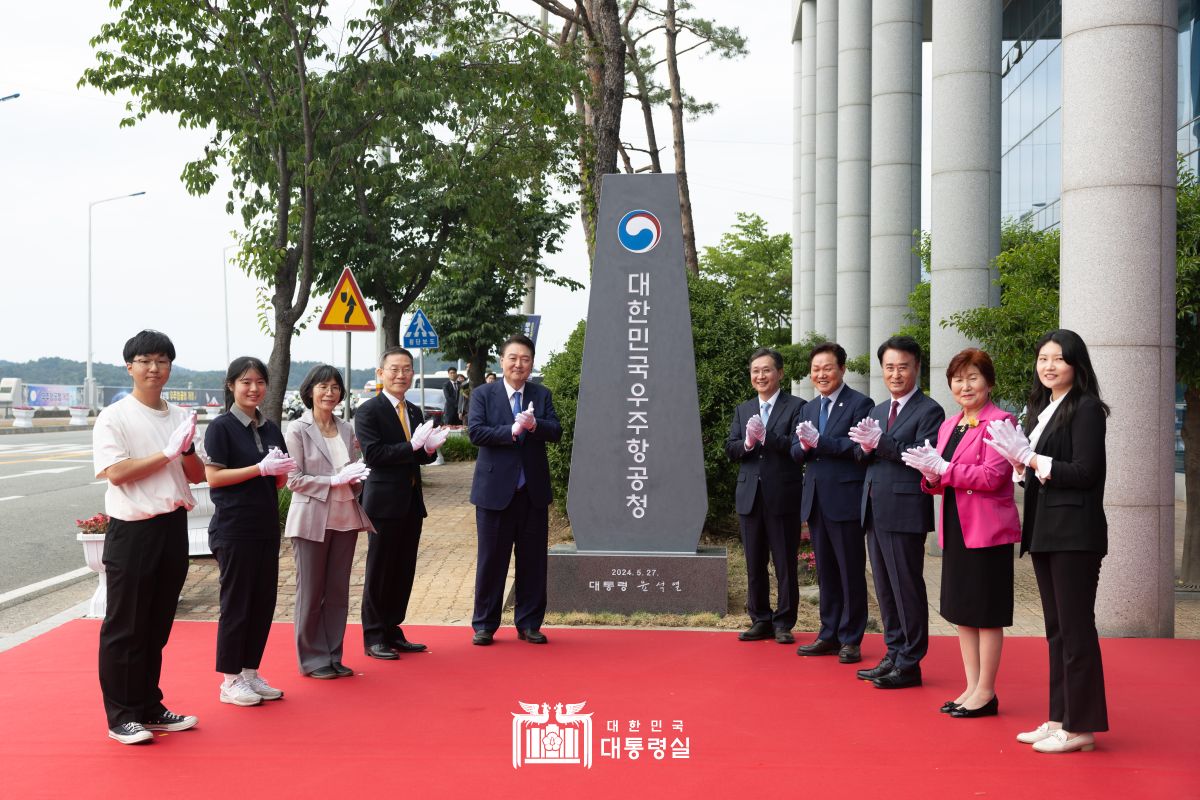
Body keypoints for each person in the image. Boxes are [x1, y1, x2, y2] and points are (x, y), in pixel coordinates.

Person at [984, 329, 1110, 754]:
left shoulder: (1086, 408)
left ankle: (1081, 728)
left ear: (1077, 364)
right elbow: (1039, 472)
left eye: (1058, 358)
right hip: (1046, 530)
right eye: (1042, 358)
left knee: (1075, 631)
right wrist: (1020, 465)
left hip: (1076, 534)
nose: (1049, 366)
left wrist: (1034, 458)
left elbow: (1085, 472)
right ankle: (1060, 718)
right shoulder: (1043, 409)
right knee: (1056, 631)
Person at [92, 330, 204, 745]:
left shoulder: (179, 416)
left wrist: (187, 450)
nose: (154, 368)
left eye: (161, 360)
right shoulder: (115, 417)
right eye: (145, 360)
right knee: (126, 625)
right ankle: (121, 715)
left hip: (172, 525)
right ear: (130, 366)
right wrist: (166, 453)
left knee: (157, 624)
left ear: (171, 366)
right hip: (133, 528)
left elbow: (197, 475)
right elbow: (117, 473)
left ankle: (148, 706)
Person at [902, 348, 1020, 716]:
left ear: (988, 381)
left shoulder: (1001, 422)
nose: (965, 385)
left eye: (973, 377)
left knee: (986, 612)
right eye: (958, 379)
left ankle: (986, 691)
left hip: (987, 530)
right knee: (962, 611)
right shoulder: (949, 424)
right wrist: (929, 475)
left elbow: (993, 476)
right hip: (955, 527)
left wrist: (945, 469)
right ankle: (971, 687)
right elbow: (943, 477)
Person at [849, 336, 945, 689]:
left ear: (917, 367)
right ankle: (893, 652)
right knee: (885, 588)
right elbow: (864, 457)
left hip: (905, 510)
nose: (895, 373)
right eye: (889, 367)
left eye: (903, 366)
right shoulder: (876, 410)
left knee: (906, 586)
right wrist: (862, 446)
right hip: (874, 506)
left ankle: (911, 661)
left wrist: (880, 443)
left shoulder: (929, 410)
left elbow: (920, 454)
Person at [204, 356, 295, 707]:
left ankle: (250, 672)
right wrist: (259, 468)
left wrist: (281, 470)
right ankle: (229, 680)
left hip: (265, 526)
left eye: (259, 382)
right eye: (246, 382)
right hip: (234, 527)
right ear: (231, 386)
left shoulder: (270, 427)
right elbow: (213, 477)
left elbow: (278, 481)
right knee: (237, 604)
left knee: (262, 603)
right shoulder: (221, 427)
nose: (253, 388)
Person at [355, 347, 450, 660]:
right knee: (380, 569)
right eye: (394, 369)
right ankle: (373, 635)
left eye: (407, 369)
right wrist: (411, 445)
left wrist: (430, 450)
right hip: (382, 503)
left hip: (410, 502)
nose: (401, 374)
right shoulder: (369, 410)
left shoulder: (414, 410)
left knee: (403, 569)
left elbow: (417, 456)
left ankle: (393, 629)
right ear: (380, 374)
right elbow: (374, 454)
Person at [468, 334, 562, 645]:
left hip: (532, 492)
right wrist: (511, 430)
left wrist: (535, 426)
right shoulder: (483, 394)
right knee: (492, 561)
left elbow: (556, 430)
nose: (518, 364)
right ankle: (484, 624)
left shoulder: (541, 394)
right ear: (502, 360)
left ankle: (529, 623)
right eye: (512, 358)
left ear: (531, 363)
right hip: (495, 492)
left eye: (524, 359)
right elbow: (476, 432)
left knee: (533, 562)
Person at [284, 364, 375, 679]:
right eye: (322, 386)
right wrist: (334, 479)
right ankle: (312, 659)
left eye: (335, 387)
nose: (329, 392)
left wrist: (356, 478)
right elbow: (293, 479)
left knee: (337, 591)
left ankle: (333, 654)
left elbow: (352, 475)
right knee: (311, 591)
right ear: (310, 391)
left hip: (345, 517)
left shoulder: (347, 428)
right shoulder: (296, 429)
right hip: (311, 518)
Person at [790, 342, 874, 664]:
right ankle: (828, 633)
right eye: (816, 369)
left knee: (850, 570)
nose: (821, 374)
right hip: (815, 500)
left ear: (841, 368)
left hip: (845, 499)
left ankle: (851, 639)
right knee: (825, 571)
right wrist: (804, 446)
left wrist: (819, 442)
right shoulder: (808, 408)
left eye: (827, 368)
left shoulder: (859, 404)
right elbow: (797, 454)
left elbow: (857, 450)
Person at [725, 347, 807, 644]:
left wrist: (767, 437)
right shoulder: (743, 409)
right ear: (751, 376)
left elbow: (798, 448)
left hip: (782, 495)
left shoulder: (797, 406)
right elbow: (731, 448)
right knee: (754, 562)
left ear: (780, 373)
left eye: (767, 370)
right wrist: (747, 442)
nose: (761, 375)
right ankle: (760, 618)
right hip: (750, 496)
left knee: (785, 563)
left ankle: (784, 621)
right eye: (755, 371)